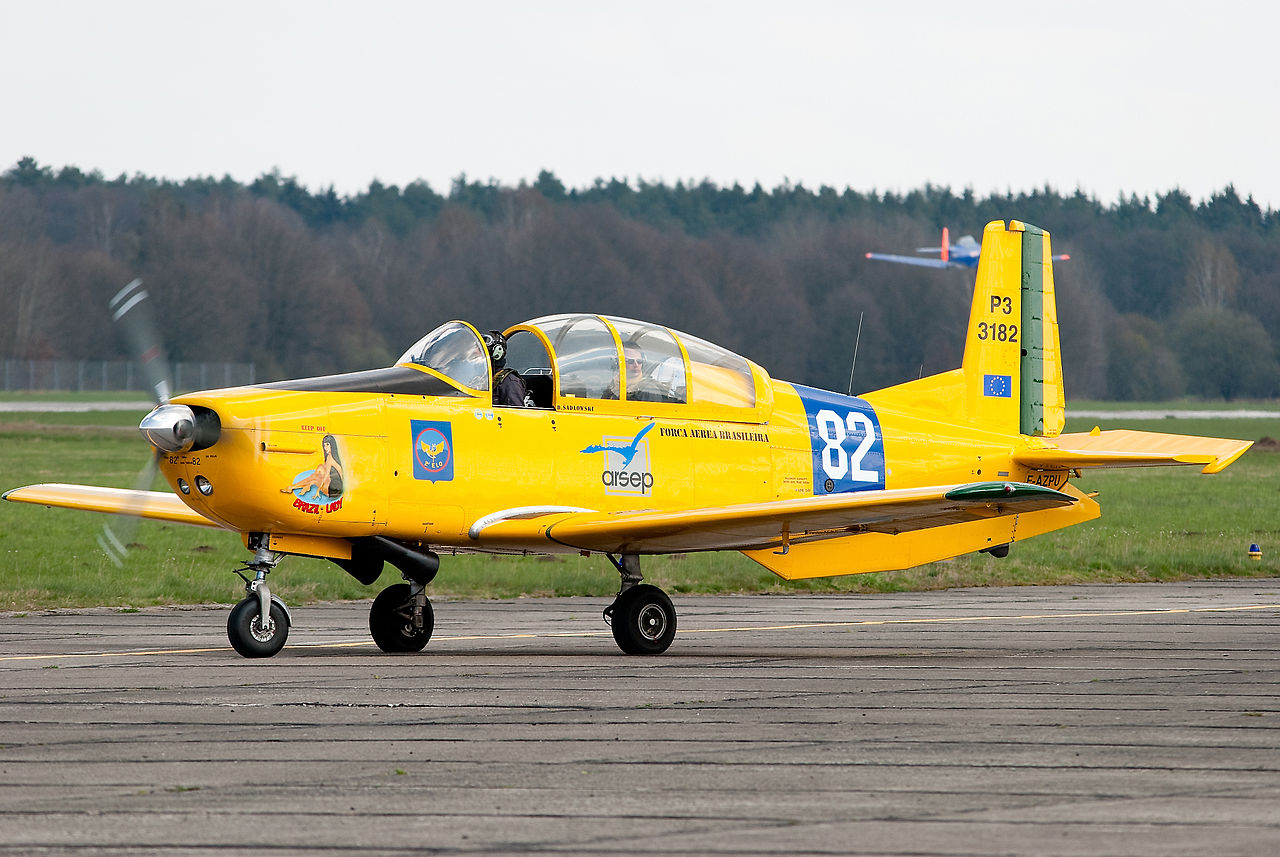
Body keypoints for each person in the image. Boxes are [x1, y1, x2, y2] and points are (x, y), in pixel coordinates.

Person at [281, 434, 344, 498]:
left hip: (332, 491)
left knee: (314, 479)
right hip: (337, 487)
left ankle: (291, 487)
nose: (325, 448)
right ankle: (295, 486)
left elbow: (326, 476)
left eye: (327, 445)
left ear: (332, 445)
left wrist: (318, 490)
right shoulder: (334, 457)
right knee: (320, 468)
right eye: (324, 445)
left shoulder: (330, 458)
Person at [483, 330, 532, 407]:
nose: (477, 353)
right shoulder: (479, 380)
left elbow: (516, 414)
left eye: (482, 350)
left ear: (497, 352)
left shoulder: (509, 382)